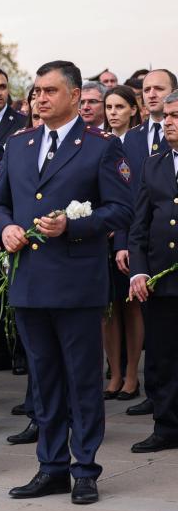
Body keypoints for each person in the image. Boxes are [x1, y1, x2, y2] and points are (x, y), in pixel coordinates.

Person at [0, 61, 133, 505]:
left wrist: (73, 226)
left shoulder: (100, 147)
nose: (41, 98)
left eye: (50, 91)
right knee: (44, 379)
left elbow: (121, 209)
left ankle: (84, 468)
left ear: (74, 95)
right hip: (29, 281)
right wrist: (5, 228)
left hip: (75, 283)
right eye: (36, 91)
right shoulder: (19, 145)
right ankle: (50, 467)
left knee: (82, 380)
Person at [118, 69, 177, 417]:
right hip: (161, 277)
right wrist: (139, 271)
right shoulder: (154, 165)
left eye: (176, 116)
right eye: (166, 116)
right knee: (161, 355)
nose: (168, 122)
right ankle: (165, 426)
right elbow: (139, 224)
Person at [103, 85, 144, 401]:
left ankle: (131, 376)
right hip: (100, 235)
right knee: (108, 309)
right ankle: (114, 373)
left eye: (119, 106)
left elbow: (136, 196)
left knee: (130, 307)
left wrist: (124, 239)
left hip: (128, 235)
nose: (113, 112)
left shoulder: (139, 142)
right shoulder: (101, 141)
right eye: (109, 107)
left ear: (133, 109)